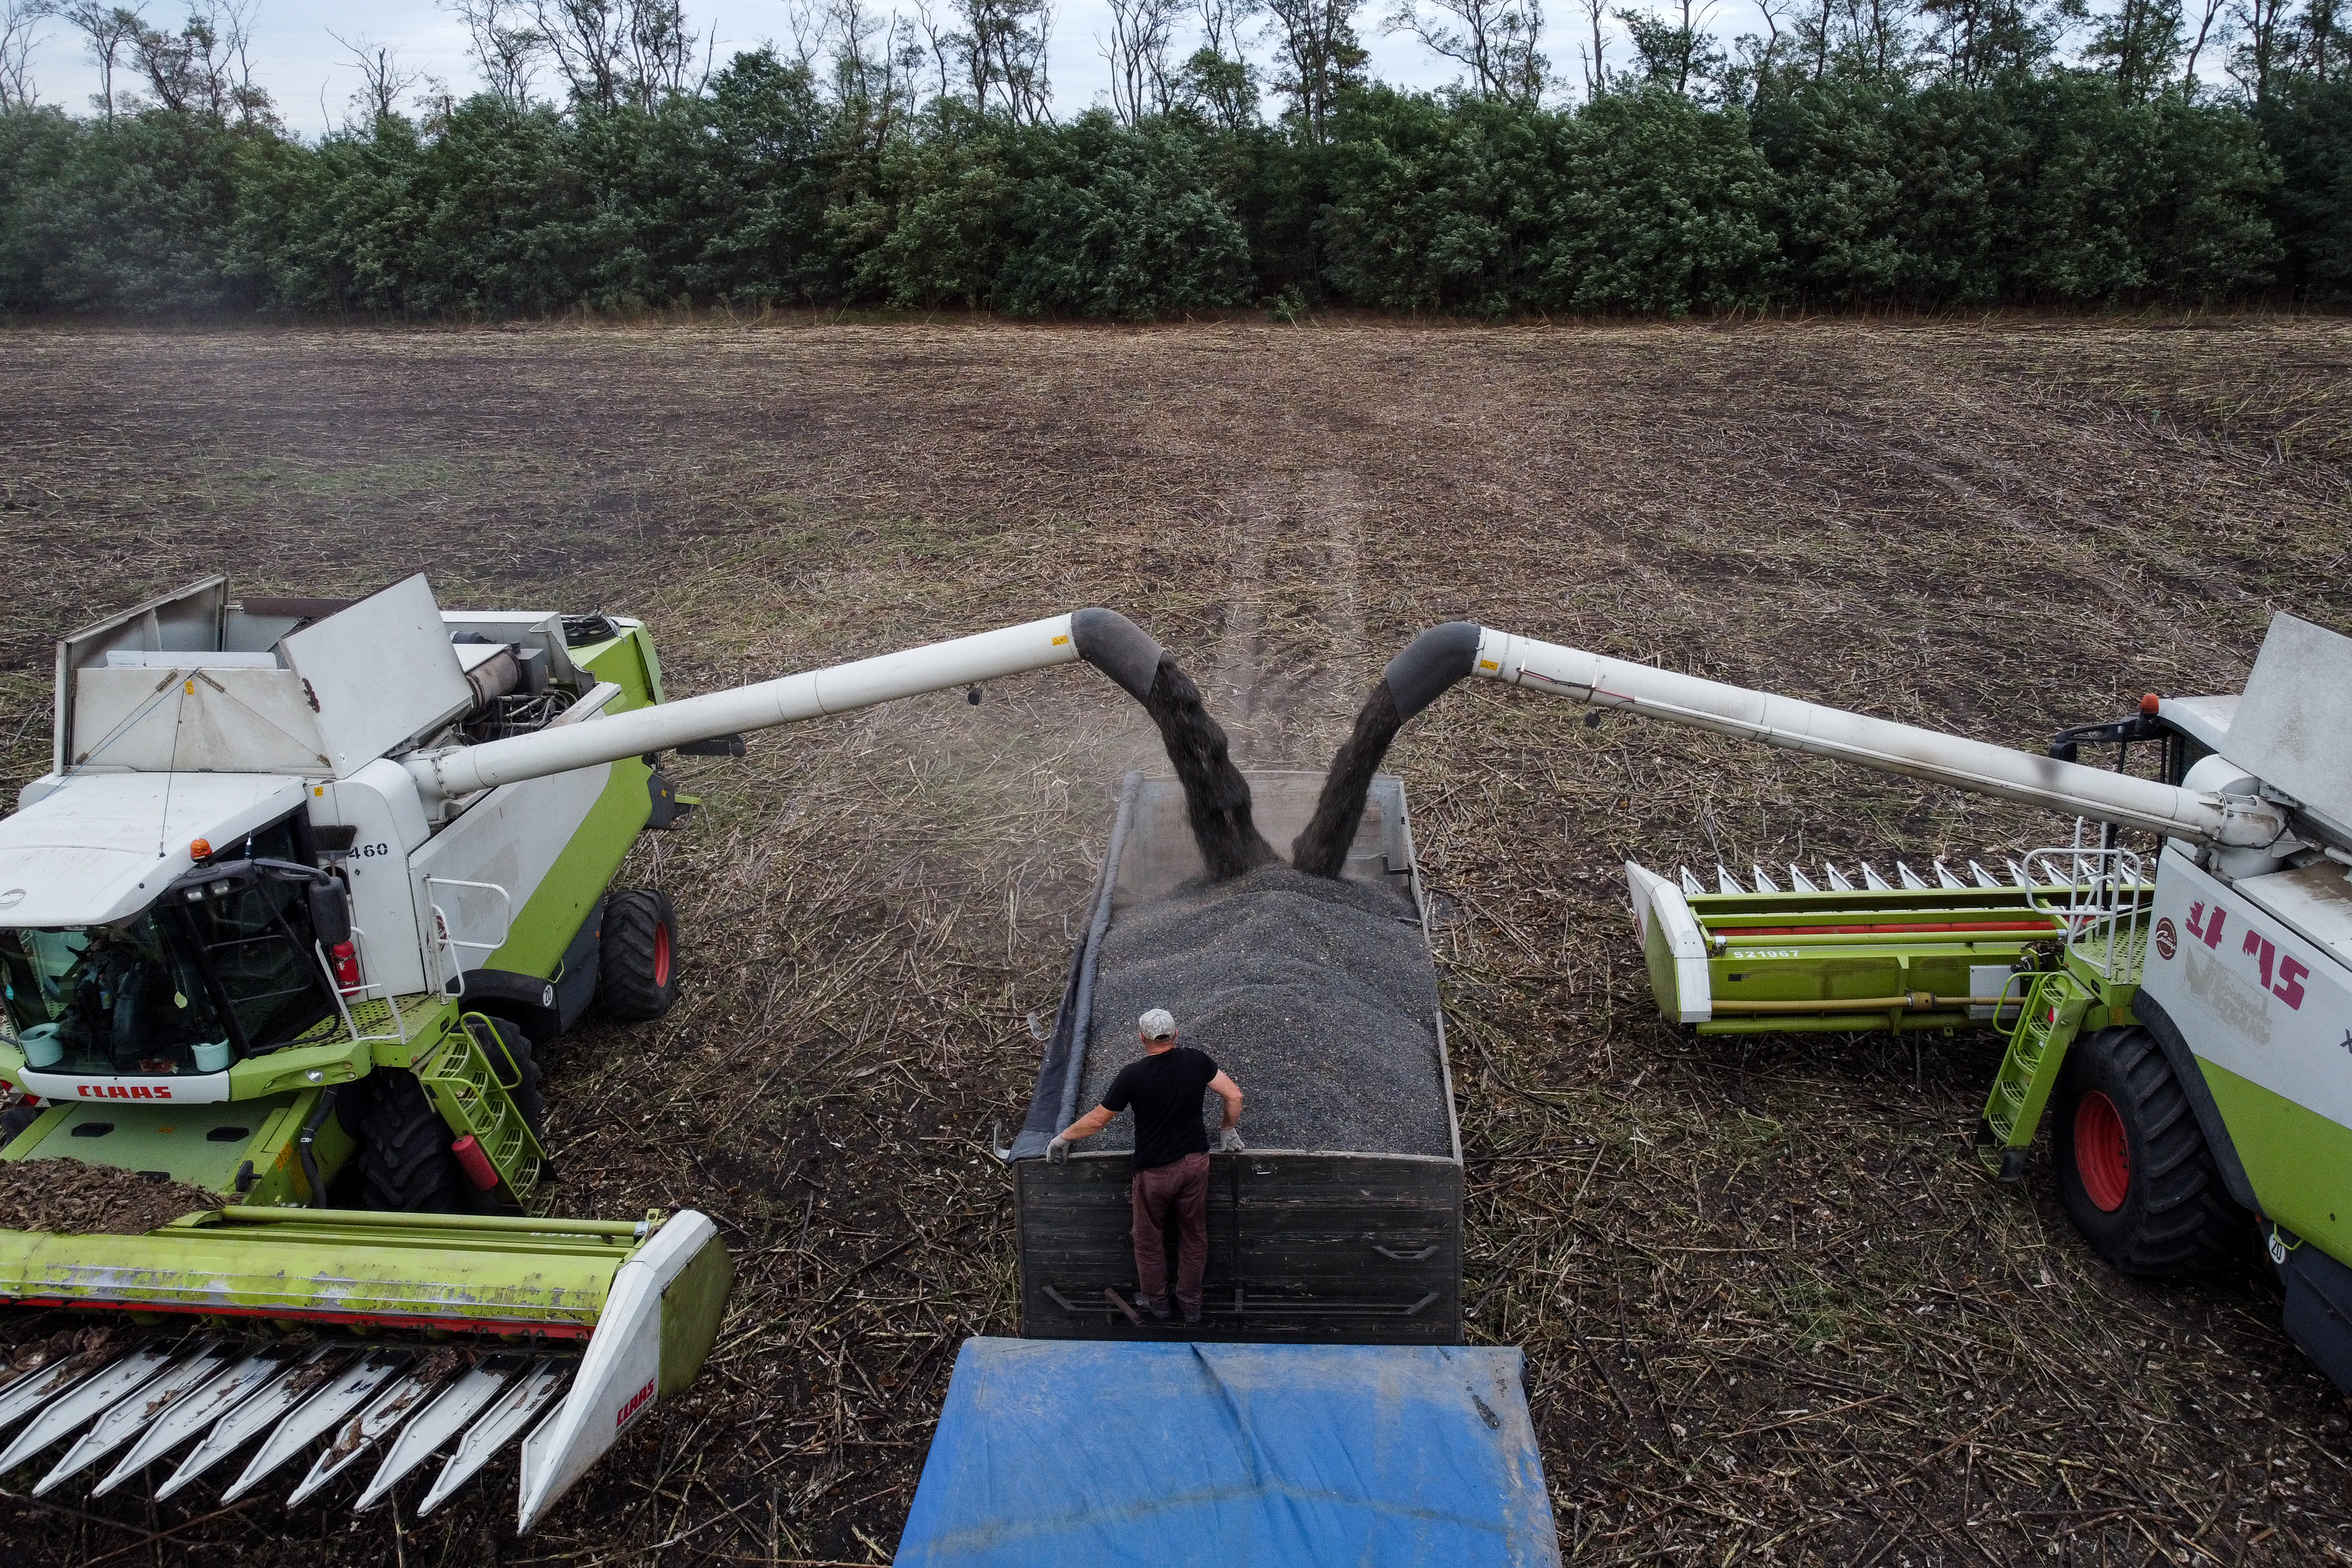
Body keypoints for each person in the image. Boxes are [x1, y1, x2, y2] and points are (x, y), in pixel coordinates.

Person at [1049, 1008, 1243, 1326]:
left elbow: (1098, 1120)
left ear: (1142, 1038)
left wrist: (1063, 1138)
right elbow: (1234, 1094)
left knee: (1148, 1237)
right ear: (1176, 1034)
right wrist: (1227, 1129)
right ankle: (1191, 1305)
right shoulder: (1197, 1061)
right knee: (1194, 1236)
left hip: (1155, 1173)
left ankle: (1158, 1303)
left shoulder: (1133, 1076)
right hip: (1196, 1164)